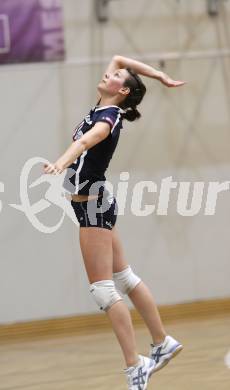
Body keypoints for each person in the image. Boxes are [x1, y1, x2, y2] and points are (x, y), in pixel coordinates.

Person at [44, 55, 185, 390]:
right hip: (97, 202)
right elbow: (121, 57)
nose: (109, 72)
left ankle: (135, 364)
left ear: (121, 90)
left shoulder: (108, 117)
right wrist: (159, 75)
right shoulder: (102, 105)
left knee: (103, 289)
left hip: (92, 205)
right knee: (124, 276)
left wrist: (60, 163)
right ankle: (162, 341)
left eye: (115, 76)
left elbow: (85, 142)